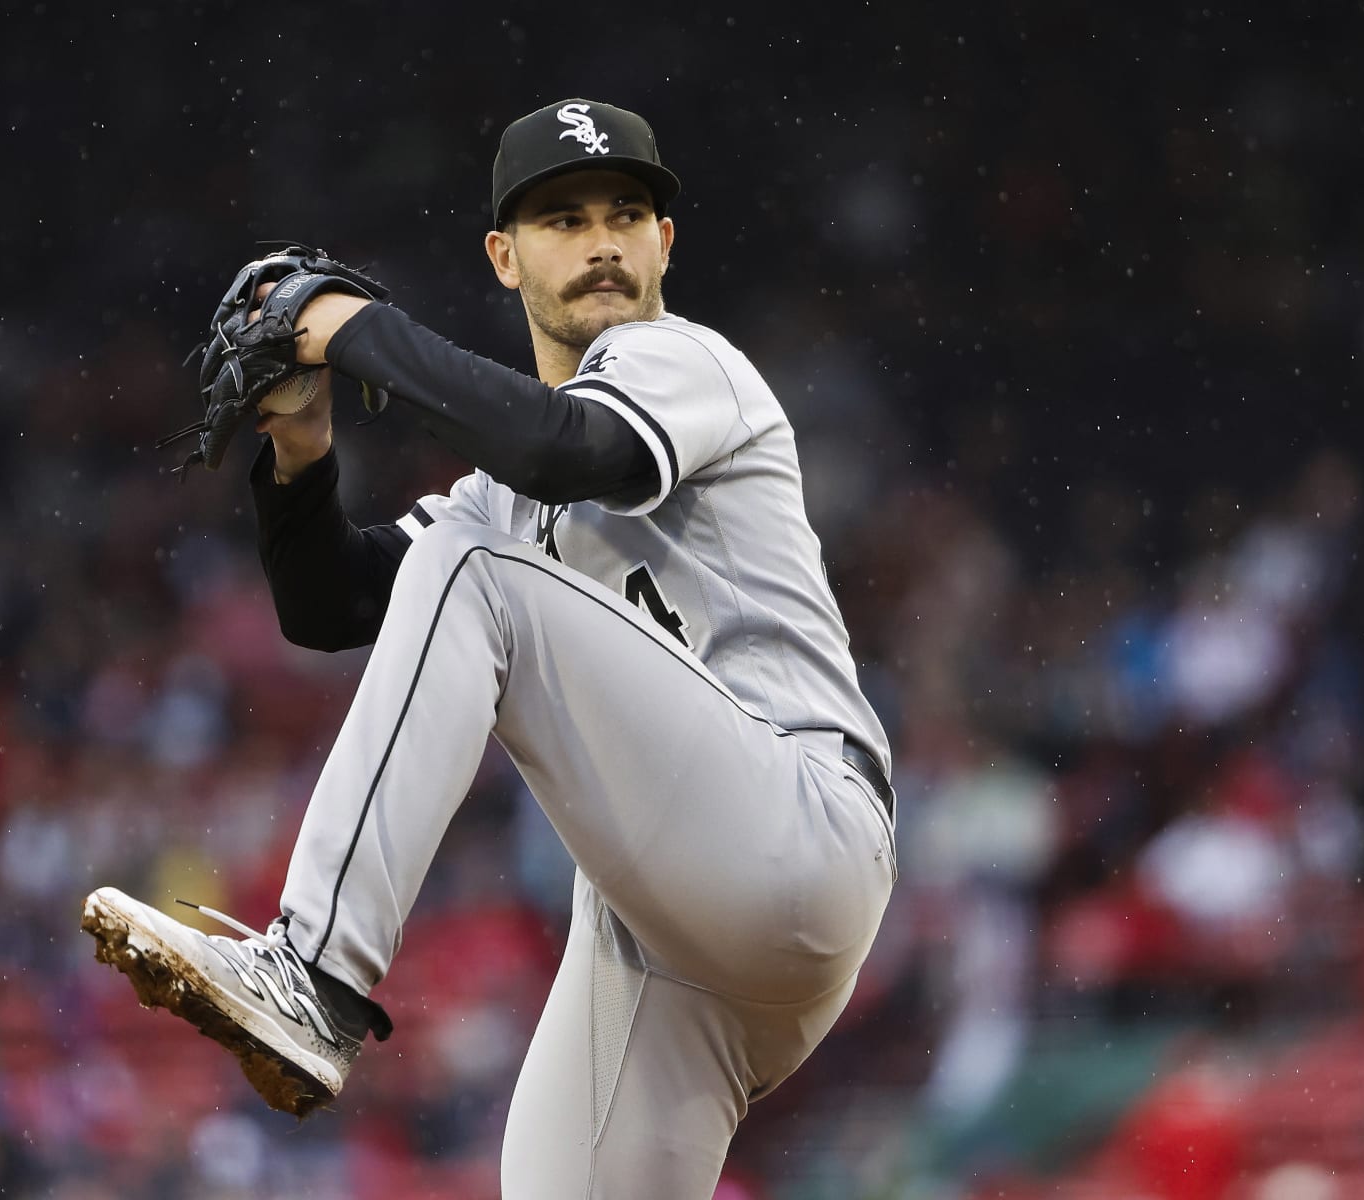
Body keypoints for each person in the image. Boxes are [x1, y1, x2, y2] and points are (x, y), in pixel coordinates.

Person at [82, 98, 897, 1198]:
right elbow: (330, 605)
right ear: (505, 257)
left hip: (800, 832)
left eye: (627, 214)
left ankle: (311, 975)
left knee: (469, 566)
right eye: (564, 219)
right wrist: (300, 447)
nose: (603, 241)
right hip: (667, 936)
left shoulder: (686, 361)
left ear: (665, 243)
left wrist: (347, 325)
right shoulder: (500, 504)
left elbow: (561, 447)